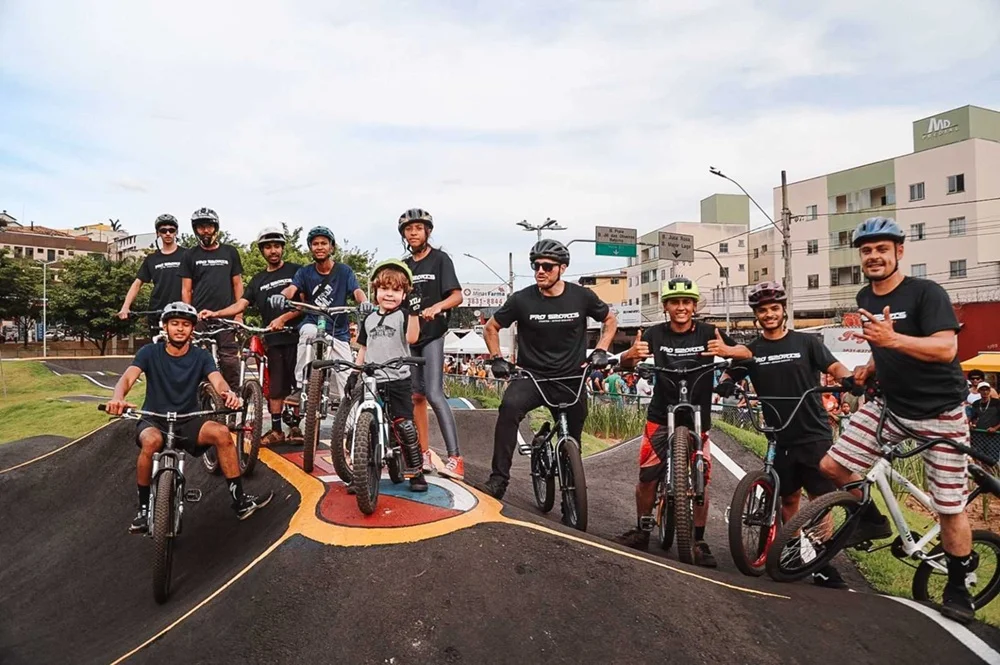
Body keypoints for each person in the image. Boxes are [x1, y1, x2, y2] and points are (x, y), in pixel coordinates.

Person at [818, 216, 976, 623]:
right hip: (890, 405)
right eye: (867, 250)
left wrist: (892, 340)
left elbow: (944, 349)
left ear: (899, 252)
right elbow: (883, 343)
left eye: (882, 249)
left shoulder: (927, 293)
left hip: (941, 413)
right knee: (833, 466)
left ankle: (959, 587)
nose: (874, 256)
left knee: (948, 506)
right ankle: (871, 519)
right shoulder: (864, 297)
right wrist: (871, 366)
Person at [715, 281, 852, 588]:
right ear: (756, 315)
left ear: (783, 311)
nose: (769, 314)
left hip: (813, 432)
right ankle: (791, 546)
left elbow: (834, 366)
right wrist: (724, 381)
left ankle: (821, 561)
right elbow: (732, 369)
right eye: (762, 310)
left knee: (819, 499)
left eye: (774, 308)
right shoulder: (752, 349)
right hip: (778, 436)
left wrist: (850, 379)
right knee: (787, 497)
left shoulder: (807, 342)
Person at [614, 277, 750, 566]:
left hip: (698, 416)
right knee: (647, 476)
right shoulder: (654, 333)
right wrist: (630, 354)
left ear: (694, 305)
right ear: (666, 306)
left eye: (686, 302)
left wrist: (727, 351)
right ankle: (642, 530)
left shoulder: (709, 332)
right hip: (660, 414)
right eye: (675, 302)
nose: (681, 307)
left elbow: (747, 354)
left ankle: (698, 539)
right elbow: (626, 362)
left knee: (702, 481)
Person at [105, 302, 273, 533]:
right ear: (165, 326)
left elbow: (218, 380)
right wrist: (117, 398)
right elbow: (126, 379)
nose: (180, 329)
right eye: (174, 323)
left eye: (185, 324)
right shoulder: (148, 352)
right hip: (154, 419)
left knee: (222, 433)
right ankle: (144, 510)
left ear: (192, 329)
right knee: (151, 442)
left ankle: (239, 501)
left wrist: (228, 394)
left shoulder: (201, 356)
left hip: (188, 420)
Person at [481, 239, 618, 502]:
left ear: (562, 269)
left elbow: (610, 319)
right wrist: (496, 358)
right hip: (532, 376)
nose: (540, 271)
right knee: (509, 408)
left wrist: (601, 349)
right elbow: (491, 327)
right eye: (535, 266)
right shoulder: (521, 299)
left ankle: (569, 478)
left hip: (571, 377)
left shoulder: (582, 296)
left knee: (573, 437)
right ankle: (498, 480)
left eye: (547, 266)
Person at [198, 227, 303, 446]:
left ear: (282, 248)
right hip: (272, 340)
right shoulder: (258, 280)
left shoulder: (296, 271)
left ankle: (296, 427)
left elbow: (303, 304)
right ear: (262, 251)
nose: (273, 251)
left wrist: (284, 318)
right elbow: (241, 304)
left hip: (296, 338)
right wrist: (216, 313)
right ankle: (276, 430)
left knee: (296, 387)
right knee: (275, 388)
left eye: (276, 246)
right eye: (268, 247)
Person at [348, 259, 428, 491]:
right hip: (372, 380)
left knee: (404, 425)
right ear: (375, 291)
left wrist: (414, 312)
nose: (389, 294)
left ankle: (415, 473)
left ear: (404, 294)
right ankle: (360, 474)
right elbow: (363, 347)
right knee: (363, 425)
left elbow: (412, 339)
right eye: (384, 289)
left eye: (396, 290)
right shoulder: (370, 319)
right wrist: (355, 372)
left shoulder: (404, 315)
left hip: (398, 379)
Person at [399, 209, 465, 479]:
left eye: (418, 228)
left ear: (428, 231)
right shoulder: (404, 265)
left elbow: (457, 296)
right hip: (410, 336)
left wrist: (437, 306)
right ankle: (423, 454)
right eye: (408, 229)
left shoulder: (440, 259)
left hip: (433, 334)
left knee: (435, 393)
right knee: (416, 396)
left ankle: (455, 458)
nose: (413, 233)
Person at [269, 226, 369, 403]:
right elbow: (292, 288)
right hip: (313, 321)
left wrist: (365, 303)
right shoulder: (305, 272)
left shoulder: (344, 271)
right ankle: (302, 385)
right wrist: (282, 296)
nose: (319, 247)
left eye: (324, 243)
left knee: (347, 379)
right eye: (315, 244)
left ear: (331, 247)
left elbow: (357, 291)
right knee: (307, 333)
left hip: (338, 329)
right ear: (310, 248)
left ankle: (351, 424)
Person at [179, 207, 244, 389]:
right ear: (195, 229)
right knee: (196, 361)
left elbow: (238, 284)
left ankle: (234, 400)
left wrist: (239, 314)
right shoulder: (189, 255)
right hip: (200, 316)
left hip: (226, 316)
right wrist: (189, 316)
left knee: (230, 362)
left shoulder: (230, 252)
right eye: (201, 227)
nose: (205, 230)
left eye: (208, 226)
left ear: (216, 227)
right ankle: (200, 400)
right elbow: (186, 290)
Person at [118, 214, 187, 333]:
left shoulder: (187, 255)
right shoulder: (151, 259)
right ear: (158, 233)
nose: (168, 233)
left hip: (183, 310)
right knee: (158, 348)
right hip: (157, 311)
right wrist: (125, 307)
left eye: (171, 230)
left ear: (176, 232)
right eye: (163, 230)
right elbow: (137, 284)